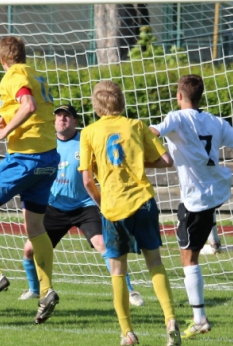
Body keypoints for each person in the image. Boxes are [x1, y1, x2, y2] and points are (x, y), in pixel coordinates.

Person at [0, 35, 60, 324]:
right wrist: (6, 120)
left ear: (2, 59)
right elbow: (33, 110)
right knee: (35, 227)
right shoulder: (34, 72)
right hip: (48, 157)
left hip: (25, 158)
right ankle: (46, 291)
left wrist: (3, 133)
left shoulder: (13, 74)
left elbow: (27, 105)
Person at [79, 80, 180, 346]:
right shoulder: (136, 126)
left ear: (97, 107)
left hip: (114, 207)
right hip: (144, 202)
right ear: (121, 102)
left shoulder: (88, 133)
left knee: (118, 271)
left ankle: (128, 333)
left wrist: (101, 204)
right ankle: (170, 320)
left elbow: (88, 181)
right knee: (155, 262)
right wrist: (138, 161)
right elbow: (167, 161)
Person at [149, 74, 233, 339]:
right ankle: (199, 315)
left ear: (179, 96)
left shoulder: (177, 118)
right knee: (191, 248)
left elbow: (153, 131)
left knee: (188, 258)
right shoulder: (216, 122)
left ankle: (200, 318)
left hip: (196, 199)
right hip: (216, 190)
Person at [19, 104, 145, 308]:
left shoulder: (85, 141)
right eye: (59, 116)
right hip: (54, 208)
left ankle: (129, 291)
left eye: (67, 116)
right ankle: (35, 289)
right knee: (29, 250)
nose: (62, 119)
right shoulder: (46, 143)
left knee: (104, 244)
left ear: (75, 121)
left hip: (84, 206)